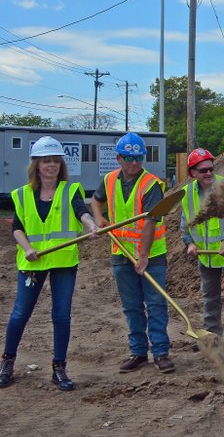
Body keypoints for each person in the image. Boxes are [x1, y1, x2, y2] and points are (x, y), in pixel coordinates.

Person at [1, 137, 98, 391]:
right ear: (36, 164)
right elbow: (18, 228)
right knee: (20, 314)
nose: (51, 165)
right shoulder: (22, 195)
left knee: (61, 315)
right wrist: (28, 248)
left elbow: (81, 210)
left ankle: (59, 369)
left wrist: (91, 225)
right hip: (32, 262)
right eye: (46, 160)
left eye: (56, 160)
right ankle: (7, 363)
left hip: (63, 261)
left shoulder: (70, 190)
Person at [92, 132, 172, 372]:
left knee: (156, 303)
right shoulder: (108, 181)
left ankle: (160, 352)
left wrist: (144, 256)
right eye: (129, 158)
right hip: (121, 253)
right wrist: (99, 218)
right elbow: (96, 201)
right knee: (131, 306)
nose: (134, 163)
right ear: (119, 158)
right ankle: (138, 352)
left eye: (138, 157)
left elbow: (150, 222)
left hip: (152, 256)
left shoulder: (151, 185)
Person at [180, 147, 224, 342]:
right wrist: (190, 243)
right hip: (207, 254)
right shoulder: (186, 193)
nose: (208, 172)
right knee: (210, 296)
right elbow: (185, 223)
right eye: (203, 170)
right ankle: (212, 337)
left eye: (211, 168)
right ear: (193, 173)